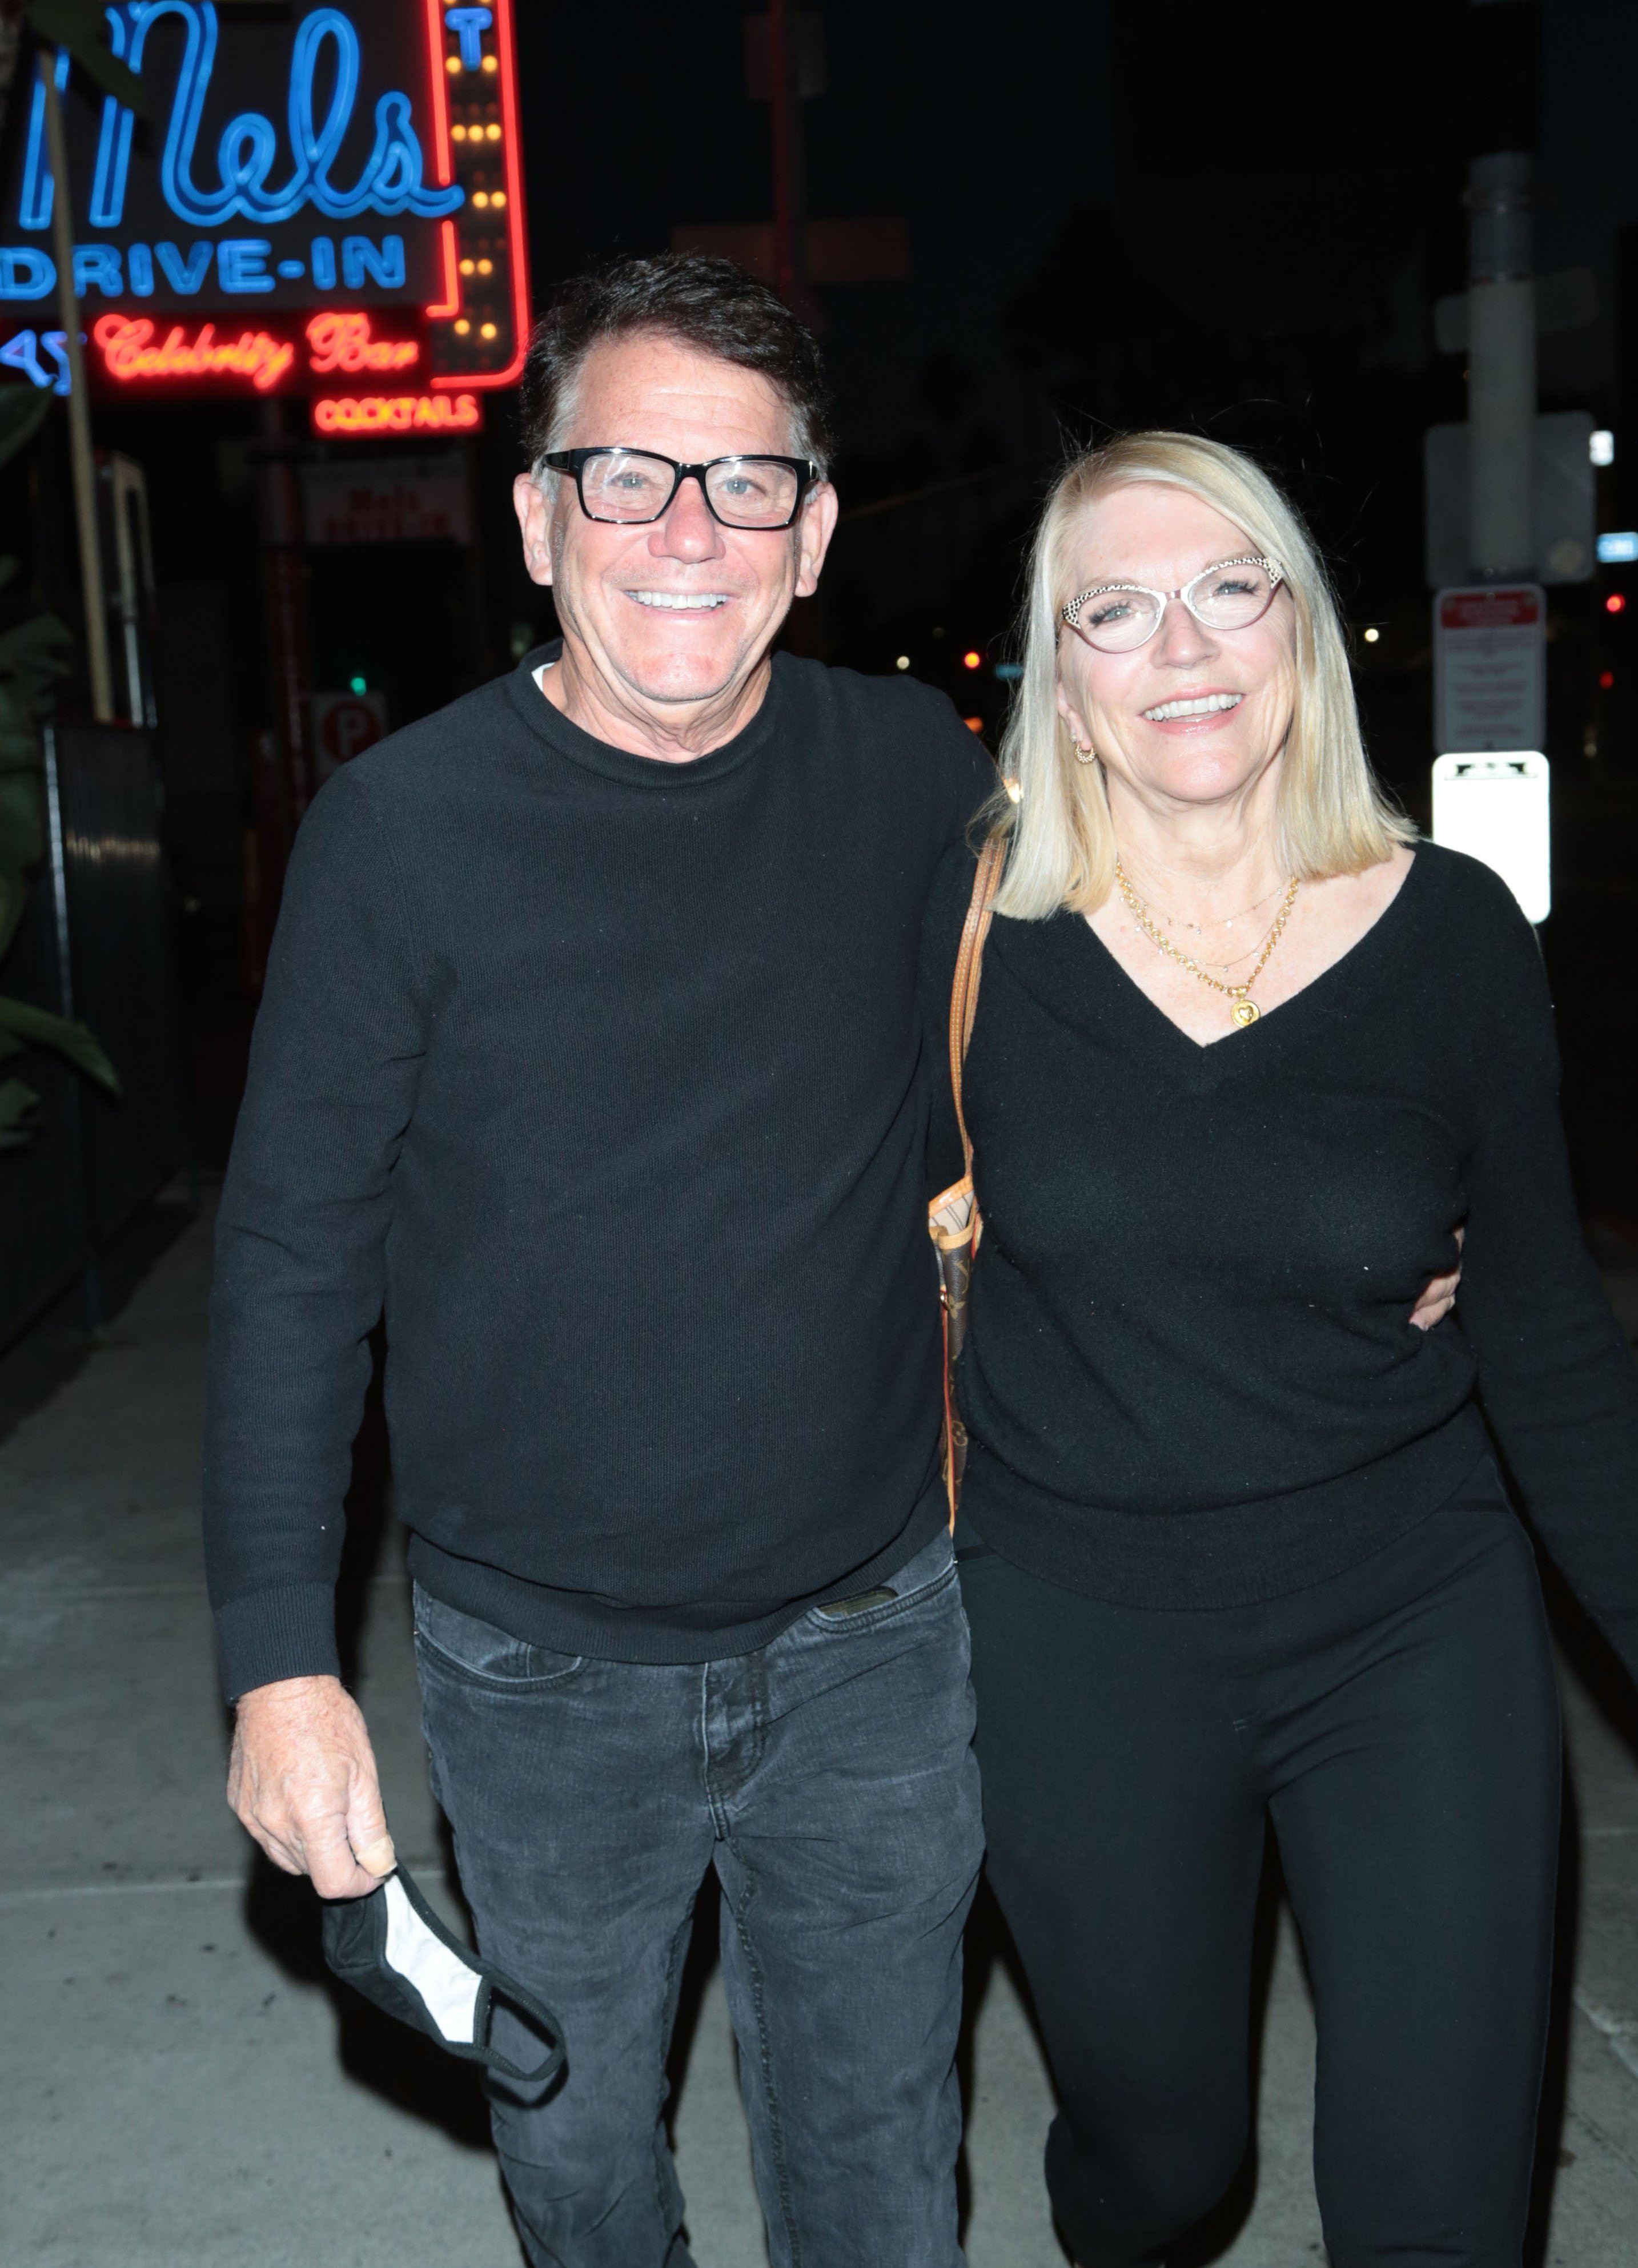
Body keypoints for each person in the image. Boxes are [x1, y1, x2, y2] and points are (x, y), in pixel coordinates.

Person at [203, 254, 995, 2268]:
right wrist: (279, 1659)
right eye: (625, 477)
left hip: (877, 1648)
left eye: (743, 486)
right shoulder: (397, 834)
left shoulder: (915, 784)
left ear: (815, 537)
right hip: (539, 1676)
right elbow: (295, 1256)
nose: (684, 534)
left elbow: (1060, 1075)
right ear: (537, 515)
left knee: (886, 2177)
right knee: (577, 2176)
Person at [922, 431, 1638, 2268]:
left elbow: (1545, 1322)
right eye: (1116, 607)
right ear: (1061, 678)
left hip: (1411, 1608)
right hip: (1077, 1626)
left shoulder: (1455, 933)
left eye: (1227, 586)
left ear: (1299, 629)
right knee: (1163, 2166)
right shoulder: (965, 933)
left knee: (1441, 2203)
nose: (1180, 645)